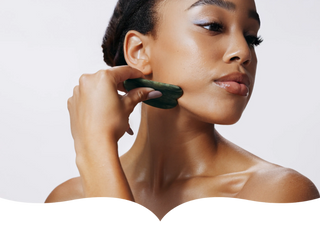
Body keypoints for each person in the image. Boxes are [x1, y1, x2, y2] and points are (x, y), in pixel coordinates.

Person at [45, 0, 319, 222]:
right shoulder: (68, 199)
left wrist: (95, 147)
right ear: (139, 50)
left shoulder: (276, 194)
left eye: (251, 38)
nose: (243, 52)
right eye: (213, 26)